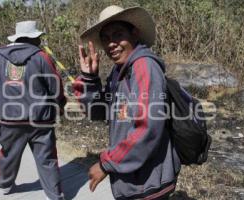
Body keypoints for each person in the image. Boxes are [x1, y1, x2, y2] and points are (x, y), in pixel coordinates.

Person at [73, 5, 181, 199]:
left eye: (117, 34)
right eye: (105, 38)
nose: (111, 44)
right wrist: (89, 79)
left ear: (135, 33)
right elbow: (99, 112)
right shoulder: (119, 72)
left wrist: (107, 163)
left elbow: (147, 127)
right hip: (133, 180)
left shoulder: (144, 66)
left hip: (148, 182)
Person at [0, 20, 66, 200]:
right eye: (38, 38)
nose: (39, 41)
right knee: (47, 159)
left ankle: (5, 184)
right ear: (33, 38)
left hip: (10, 120)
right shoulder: (41, 57)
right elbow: (55, 85)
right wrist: (60, 104)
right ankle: (54, 195)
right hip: (40, 120)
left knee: (9, 155)